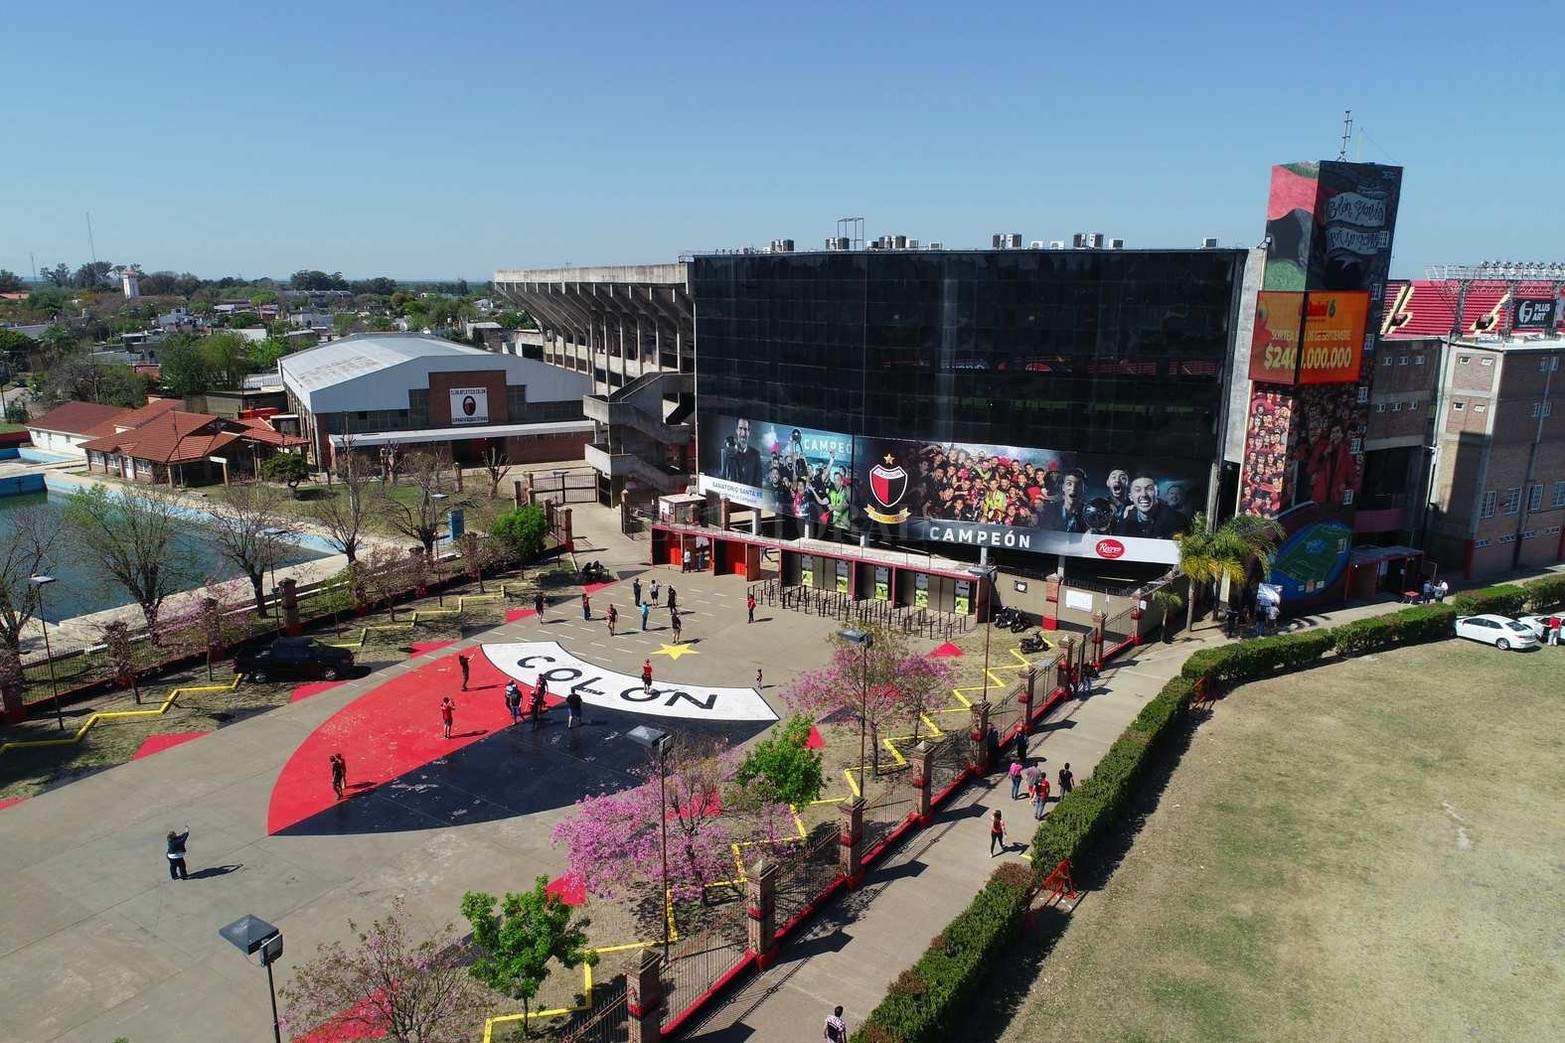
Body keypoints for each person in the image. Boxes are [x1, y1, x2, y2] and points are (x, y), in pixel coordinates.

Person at [720, 417, 763, 486]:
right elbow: (723, 478)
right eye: (740, 428)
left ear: (749, 432)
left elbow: (759, 482)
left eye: (745, 429)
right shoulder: (728, 452)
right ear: (736, 430)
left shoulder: (756, 455)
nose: (743, 433)